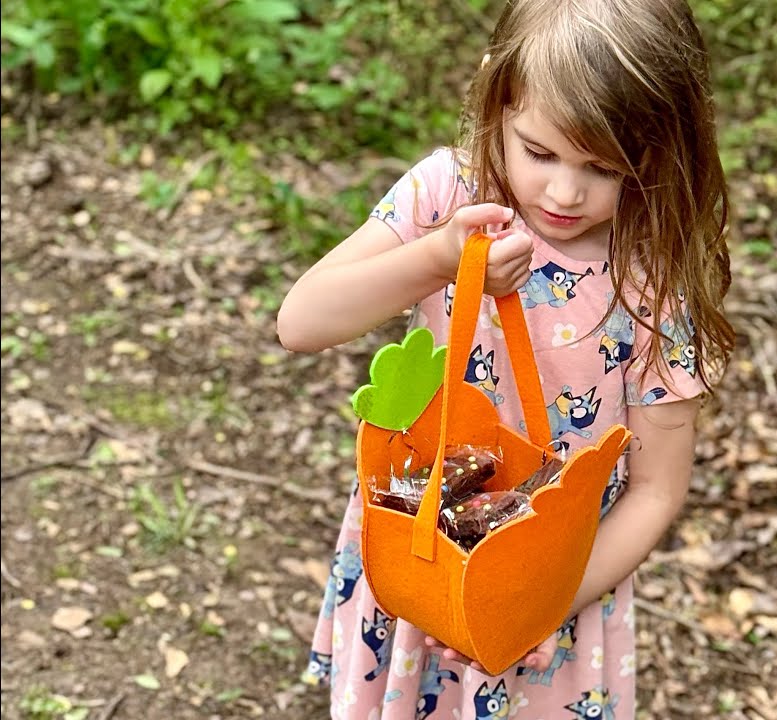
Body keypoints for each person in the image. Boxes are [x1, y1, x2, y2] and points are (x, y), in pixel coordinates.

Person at [275, 0, 734, 716]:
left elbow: (657, 490)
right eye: (540, 152)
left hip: (552, 593)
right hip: (421, 545)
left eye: (603, 168)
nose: (563, 191)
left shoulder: (653, 280)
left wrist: (532, 605)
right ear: (499, 100)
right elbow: (301, 322)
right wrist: (438, 258)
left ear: (657, 152)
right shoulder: (449, 195)